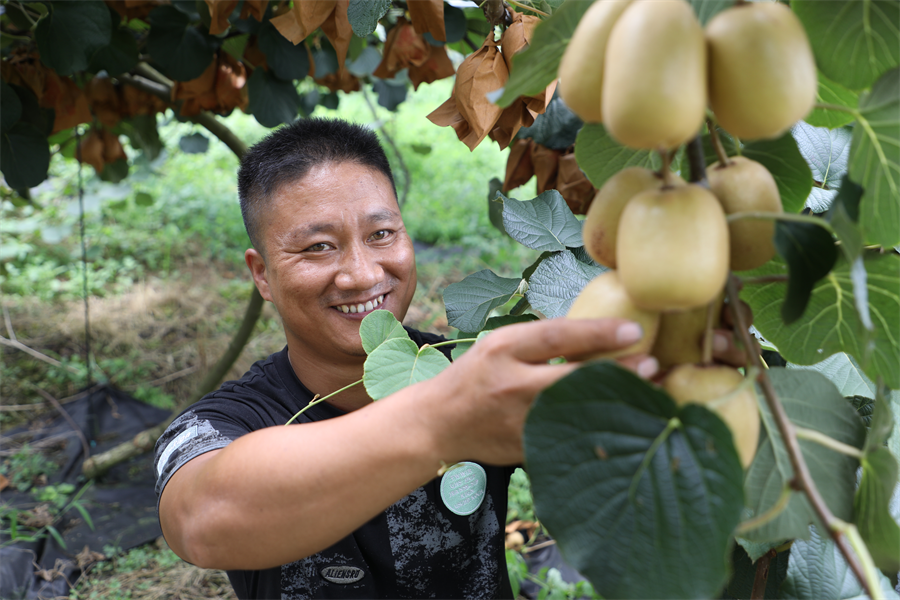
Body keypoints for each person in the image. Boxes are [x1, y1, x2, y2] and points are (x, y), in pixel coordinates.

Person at [154, 118, 745, 599]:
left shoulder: (473, 374)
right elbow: (203, 519)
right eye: (317, 247)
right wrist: (446, 418)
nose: (362, 274)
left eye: (382, 234)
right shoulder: (226, 422)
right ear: (261, 274)